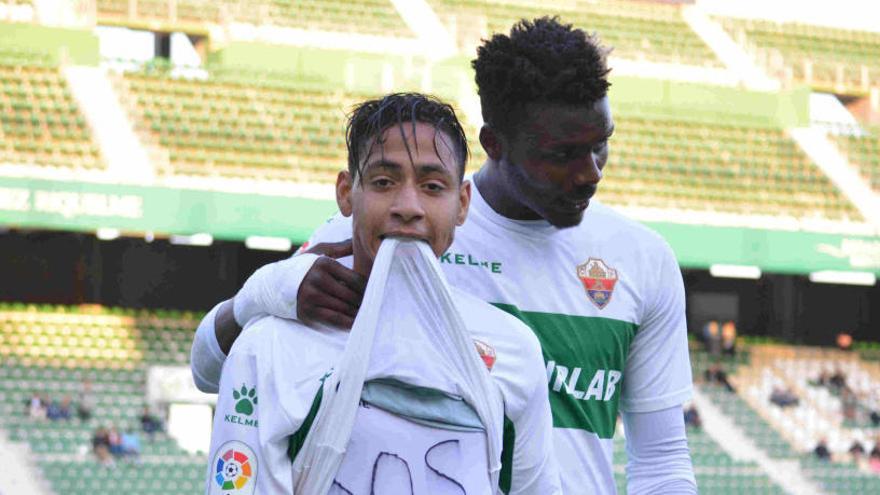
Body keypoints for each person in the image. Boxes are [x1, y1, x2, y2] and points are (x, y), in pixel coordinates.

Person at [191, 17, 696, 494]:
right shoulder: (388, 231)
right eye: (562, 154)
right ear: (496, 144)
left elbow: (663, 460)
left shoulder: (642, 259)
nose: (591, 173)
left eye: (600, 146)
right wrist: (270, 291)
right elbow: (216, 370)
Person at [204, 93, 559, 494]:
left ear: (461, 204)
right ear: (345, 193)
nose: (408, 206)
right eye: (384, 182)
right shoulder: (269, 346)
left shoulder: (512, 347)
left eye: (432, 186)